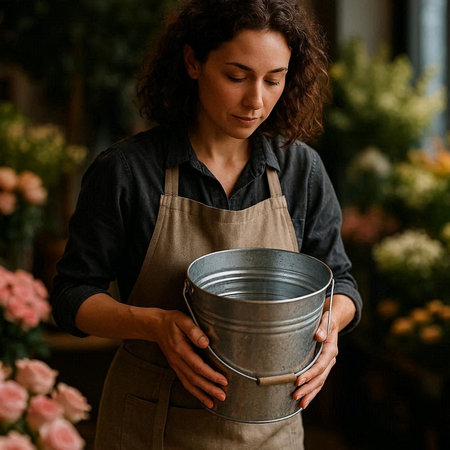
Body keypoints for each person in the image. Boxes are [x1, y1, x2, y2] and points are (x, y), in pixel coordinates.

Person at [51, 0, 362, 448]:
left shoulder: (300, 171)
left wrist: (329, 330)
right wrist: (155, 325)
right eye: (236, 76)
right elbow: (70, 295)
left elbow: (343, 283)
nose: (256, 100)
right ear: (193, 62)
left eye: (274, 79)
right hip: (149, 426)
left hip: (271, 429)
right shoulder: (127, 171)